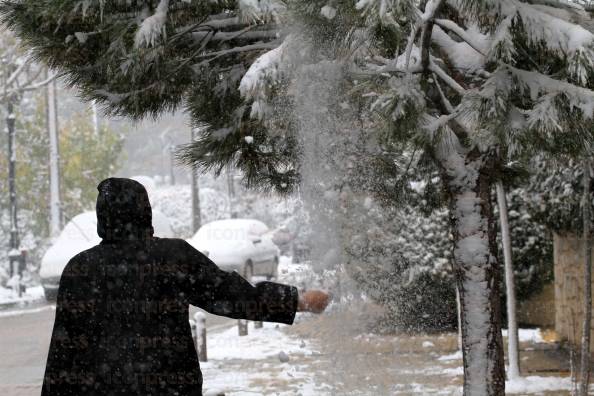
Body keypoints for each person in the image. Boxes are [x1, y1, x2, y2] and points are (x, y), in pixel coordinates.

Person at [42, 177, 330, 396]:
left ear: (102, 217)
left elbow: (63, 354)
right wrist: (297, 301)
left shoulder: (80, 268)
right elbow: (232, 295)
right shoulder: (172, 257)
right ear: (145, 213)